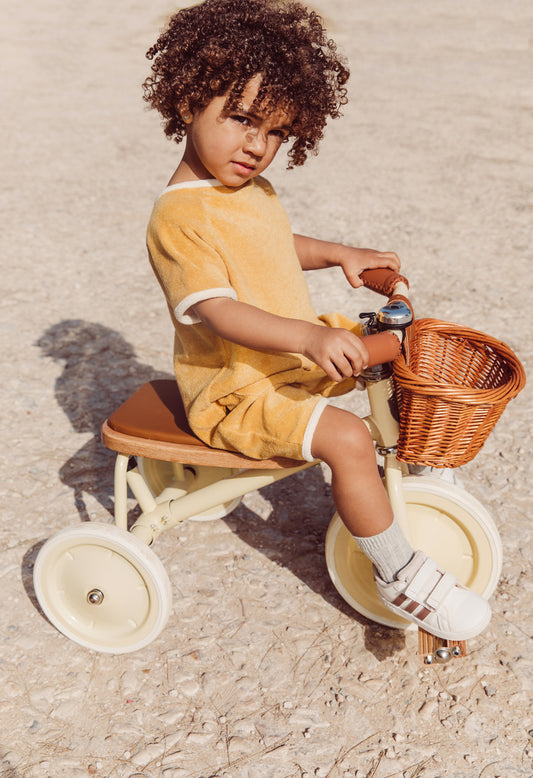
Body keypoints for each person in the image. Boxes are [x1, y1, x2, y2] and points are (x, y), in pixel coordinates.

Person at [142, 0, 491, 641]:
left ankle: (416, 469)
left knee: (399, 345)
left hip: (286, 356)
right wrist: (309, 335)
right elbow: (215, 310)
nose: (258, 146)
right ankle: (400, 574)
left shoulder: (245, 190)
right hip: (239, 389)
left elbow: (271, 246)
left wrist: (338, 254)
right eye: (242, 120)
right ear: (189, 100)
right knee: (348, 439)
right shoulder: (178, 218)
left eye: (277, 133)